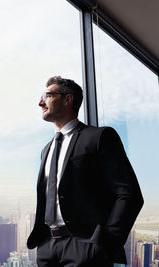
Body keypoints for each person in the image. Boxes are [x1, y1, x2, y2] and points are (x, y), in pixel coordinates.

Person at [27, 76, 143, 266]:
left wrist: (104, 243)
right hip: (47, 247)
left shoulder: (99, 137)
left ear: (68, 99)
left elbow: (129, 194)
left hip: (85, 246)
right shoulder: (46, 150)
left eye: (47, 96)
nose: (40, 102)